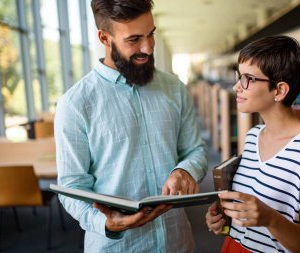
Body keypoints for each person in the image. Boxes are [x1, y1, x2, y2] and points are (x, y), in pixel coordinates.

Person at [54, 0, 207, 252]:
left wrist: (185, 170)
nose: (147, 48)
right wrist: (105, 222)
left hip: (177, 242)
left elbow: (196, 150)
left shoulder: (174, 88)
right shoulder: (75, 104)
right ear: (105, 37)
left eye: (151, 34)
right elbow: (72, 187)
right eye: (134, 39)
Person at [205, 35, 300, 253]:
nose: (237, 87)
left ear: (279, 90)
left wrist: (270, 219)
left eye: (248, 78)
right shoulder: (253, 137)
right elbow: (248, 218)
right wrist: (224, 219)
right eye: (239, 76)